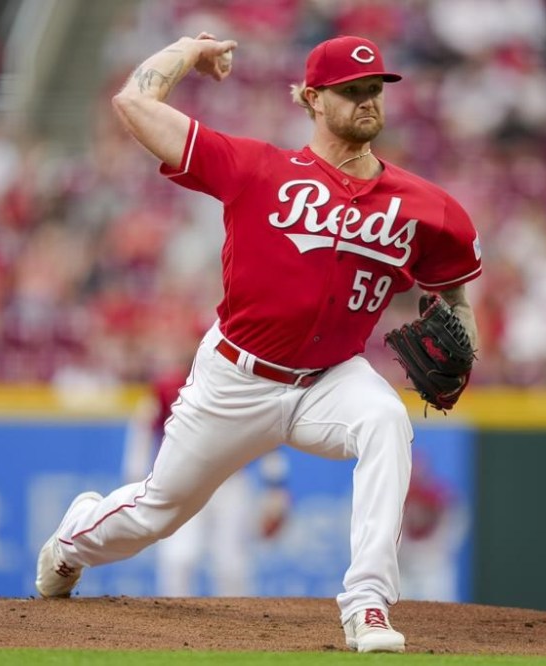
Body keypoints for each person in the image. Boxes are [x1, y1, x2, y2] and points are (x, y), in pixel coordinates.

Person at [35, 32, 481, 654]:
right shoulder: (257, 168)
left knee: (385, 420)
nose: (367, 99)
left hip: (331, 378)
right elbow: (133, 104)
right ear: (313, 98)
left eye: (374, 88)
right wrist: (188, 50)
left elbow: (455, 290)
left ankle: (368, 604)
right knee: (156, 513)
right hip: (237, 377)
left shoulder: (426, 208)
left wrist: (467, 336)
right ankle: (71, 541)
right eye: (351, 90)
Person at [122, 367, 289, 597]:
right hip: (183, 483)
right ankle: (170, 618)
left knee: (231, 563)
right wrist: (136, 481)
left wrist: (275, 491)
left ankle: (238, 619)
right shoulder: (167, 388)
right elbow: (143, 430)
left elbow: (268, 437)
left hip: (230, 482)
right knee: (180, 557)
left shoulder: (243, 386)